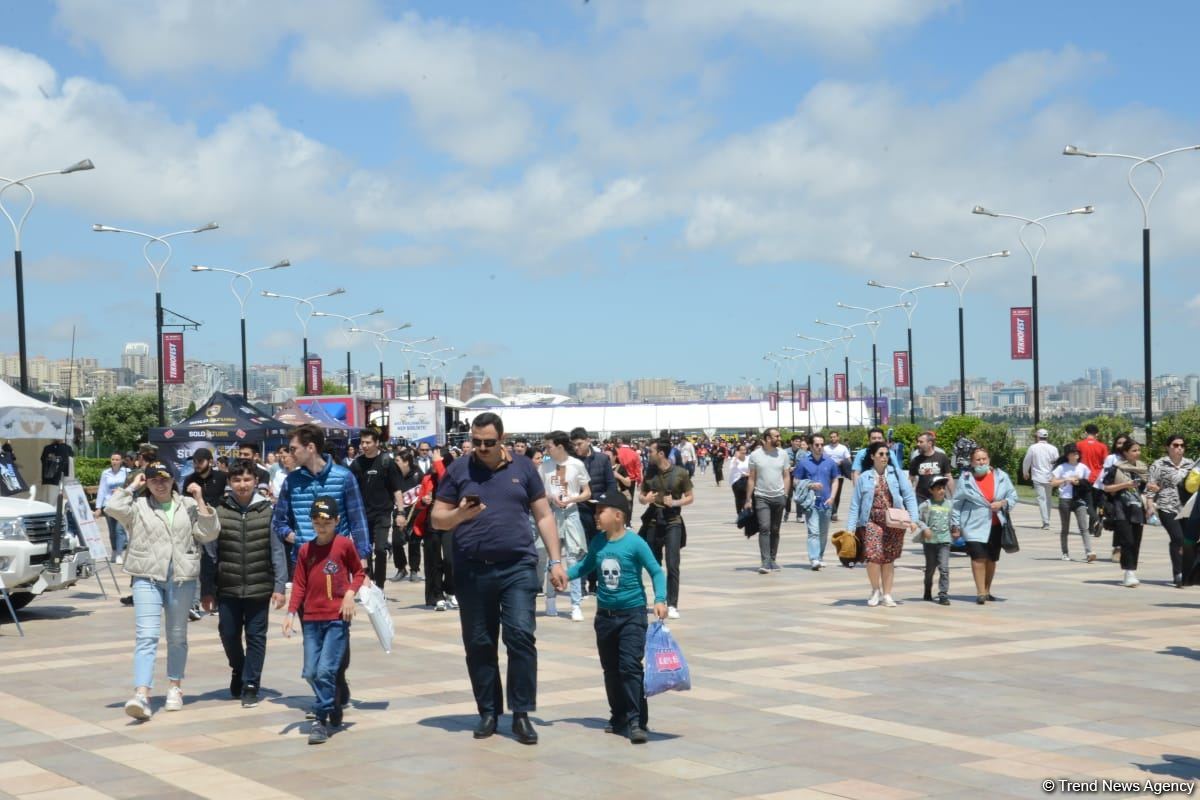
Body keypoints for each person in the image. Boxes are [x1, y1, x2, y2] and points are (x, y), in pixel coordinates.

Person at [431, 412, 567, 746]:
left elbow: (544, 515)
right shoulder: (459, 469)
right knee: (479, 642)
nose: (481, 448)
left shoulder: (523, 468)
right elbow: (437, 518)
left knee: (521, 635)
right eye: (476, 442)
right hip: (472, 568)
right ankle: (488, 711)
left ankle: (521, 714)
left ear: (502, 439)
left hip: (518, 566)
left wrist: (556, 561)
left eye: (488, 443)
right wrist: (460, 514)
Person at [106, 462, 219, 720]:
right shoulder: (138, 507)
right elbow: (112, 508)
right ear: (147, 481)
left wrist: (200, 499)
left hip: (181, 577)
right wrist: (132, 486)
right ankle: (142, 694)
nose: (159, 483)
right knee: (146, 636)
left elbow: (209, 533)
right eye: (154, 479)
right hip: (147, 576)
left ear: (173, 480)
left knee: (177, 635)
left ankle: (174, 688)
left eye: (164, 478)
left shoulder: (187, 506)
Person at [272, 423, 371, 711]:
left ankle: (336, 680)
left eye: (293, 448)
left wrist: (362, 560)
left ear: (310, 447)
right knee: (313, 632)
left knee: (339, 631)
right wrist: (298, 539)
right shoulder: (292, 482)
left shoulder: (344, 477)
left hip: (339, 570)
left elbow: (357, 519)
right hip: (307, 570)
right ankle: (329, 697)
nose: (288, 453)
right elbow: (279, 522)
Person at [567, 491, 667, 744]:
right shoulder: (598, 542)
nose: (596, 515)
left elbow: (656, 571)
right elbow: (585, 566)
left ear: (618, 515)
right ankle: (618, 715)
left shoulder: (635, 543)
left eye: (601, 510)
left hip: (632, 614)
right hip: (605, 617)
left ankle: (636, 720)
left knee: (630, 667)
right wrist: (564, 576)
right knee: (611, 670)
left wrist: (660, 599)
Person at [201, 461, 287, 708]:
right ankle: (239, 669)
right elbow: (210, 553)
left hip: (260, 585)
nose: (242, 485)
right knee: (228, 634)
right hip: (227, 585)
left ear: (255, 482)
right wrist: (207, 589)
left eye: (247, 480)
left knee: (256, 636)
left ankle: (251, 683)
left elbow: (277, 551)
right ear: (229, 483)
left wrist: (280, 587)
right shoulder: (219, 510)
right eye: (237, 480)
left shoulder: (268, 511)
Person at [282, 496, 363, 745]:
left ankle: (320, 717)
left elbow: (359, 572)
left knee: (326, 670)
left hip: (336, 618)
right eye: (317, 522)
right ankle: (332, 704)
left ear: (337, 521)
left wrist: (349, 594)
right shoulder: (306, 550)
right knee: (310, 671)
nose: (322, 527)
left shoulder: (343, 546)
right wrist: (290, 613)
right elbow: (299, 584)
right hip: (312, 620)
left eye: (327, 522)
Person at [847, 442, 920, 607]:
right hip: (871, 521)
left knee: (888, 559)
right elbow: (855, 504)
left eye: (887, 454)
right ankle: (875, 590)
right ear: (872, 456)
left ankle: (887, 594)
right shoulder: (864, 477)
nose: (884, 457)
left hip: (893, 522)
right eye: (880, 454)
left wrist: (913, 520)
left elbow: (909, 496)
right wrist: (850, 529)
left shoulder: (896, 474)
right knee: (873, 557)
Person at [950, 446, 1019, 605]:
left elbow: (1013, 496)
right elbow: (957, 503)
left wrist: (1002, 503)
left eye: (984, 459)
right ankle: (980, 592)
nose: (981, 462)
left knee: (991, 559)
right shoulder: (966, 479)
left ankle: (987, 590)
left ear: (989, 460)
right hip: (973, 525)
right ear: (972, 462)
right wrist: (955, 525)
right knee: (978, 557)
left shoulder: (1001, 476)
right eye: (978, 460)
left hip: (996, 524)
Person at [540, 431, 591, 620]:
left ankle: (575, 604)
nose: (546, 450)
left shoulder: (576, 465)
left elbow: (587, 492)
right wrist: (551, 497)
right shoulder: (544, 466)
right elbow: (538, 493)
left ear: (560, 446)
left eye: (549, 446)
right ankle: (550, 599)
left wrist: (573, 498)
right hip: (551, 513)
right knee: (552, 560)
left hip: (571, 513)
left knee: (573, 558)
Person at [639, 439, 693, 620]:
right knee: (654, 564)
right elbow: (641, 496)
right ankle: (659, 599)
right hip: (653, 522)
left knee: (673, 564)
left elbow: (690, 497)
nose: (649, 454)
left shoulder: (680, 473)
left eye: (651, 451)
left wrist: (676, 502)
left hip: (673, 521)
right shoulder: (649, 473)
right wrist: (645, 500)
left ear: (661, 453)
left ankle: (673, 604)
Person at [349, 429, 406, 587]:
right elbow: (349, 489)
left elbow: (397, 489)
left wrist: (401, 512)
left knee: (380, 549)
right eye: (362, 442)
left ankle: (380, 586)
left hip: (382, 513)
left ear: (377, 443)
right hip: (362, 515)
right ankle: (370, 582)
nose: (364, 446)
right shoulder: (357, 464)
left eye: (368, 442)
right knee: (364, 552)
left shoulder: (386, 462)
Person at [570, 427, 616, 596]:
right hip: (579, 508)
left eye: (579, 444)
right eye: (574, 445)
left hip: (599, 509)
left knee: (598, 546)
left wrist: (603, 499)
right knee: (581, 547)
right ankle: (580, 586)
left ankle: (595, 583)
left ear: (588, 441)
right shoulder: (571, 461)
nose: (577, 448)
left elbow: (611, 484)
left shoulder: (602, 459)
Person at [1148, 435, 1195, 587]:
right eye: (1175, 445)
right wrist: (1150, 505)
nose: (1179, 448)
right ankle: (1178, 573)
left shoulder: (1191, 464)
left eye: (1182, 445)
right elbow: (1150, 486)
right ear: (1167, 447)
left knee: (1188, 541)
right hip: (1167, 506)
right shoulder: (1159, 464)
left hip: (1187, 507)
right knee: (1177, 538)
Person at [1104, 439, 1151, 588]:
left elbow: (1145, 488)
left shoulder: (1143, 468)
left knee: (1136, 541)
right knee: (1127, 541)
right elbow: (1107, 488)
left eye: (1138, 450)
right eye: (1134, 450)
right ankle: (1128, 573)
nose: (1137, 453)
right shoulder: (1116, 468)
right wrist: (1126, 484)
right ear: (1125, 453)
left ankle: (1130, 571)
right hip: (1121, 508)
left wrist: (1152, 491)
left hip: (1138, 509)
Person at [744, 428, 792, 574]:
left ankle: (773, 559)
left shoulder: (783, 454)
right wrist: (748, 499)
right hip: (761, 497)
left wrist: (785, 495)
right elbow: (751, 478)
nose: (779, 438)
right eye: (776, 436)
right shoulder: (755, 455)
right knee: (764, 527)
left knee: (775, 529)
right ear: (767, 438)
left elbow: (786, 476)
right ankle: (765, 562)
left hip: (779, 497)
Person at [792, 433, 839, 570]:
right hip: (811, 503)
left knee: (823, 532)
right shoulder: (804, 462)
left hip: (826, 501)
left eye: (822, 444)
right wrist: (810, 485)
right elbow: (795, 481)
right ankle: (814, 559)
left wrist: (832, 497)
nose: (819, 447)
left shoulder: (830, 462)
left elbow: (835, 480)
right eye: (817, 445)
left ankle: (820, 556)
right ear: (811, 446)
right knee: (813, 531)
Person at [1050, 444, 1095, 563]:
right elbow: (1053, 482)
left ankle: (1089, 552)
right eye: (1073, 452)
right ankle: (1065, 553)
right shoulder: (1062, 467)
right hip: (1065, 499)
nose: (1076, 454)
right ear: (1068, 455)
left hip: (1078, 499)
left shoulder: (1083, 467)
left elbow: (1088, 482)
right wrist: (1066, 480)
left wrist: (1079, 482)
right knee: (1065, 528)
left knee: (1083, 527)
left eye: (1077, 452)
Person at [917, 476, 953, 605]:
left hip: (944, 541)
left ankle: (943, 594)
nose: (942, 491)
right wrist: (925, 528)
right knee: (930, 569)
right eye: (938, 488)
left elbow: (954, 519)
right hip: (930, 543)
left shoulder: (949, 505)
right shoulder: (926, 505)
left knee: (944, 568)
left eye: (943, 488)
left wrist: (956, 528)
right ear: (931, 490)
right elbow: (918, 519)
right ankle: (927, 589)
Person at [95, 452, 130, 564]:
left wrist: (121, 491)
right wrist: (98, 507)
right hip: (109, 504)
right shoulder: (105, 473)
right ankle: (114, 550)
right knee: (111, 531)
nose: (115, 461)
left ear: (121, 461)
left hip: (121, 504)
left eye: (117, 459)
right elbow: (102, 490)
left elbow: (130, 487)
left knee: (119, 529)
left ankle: (120, 553)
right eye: (113, 459)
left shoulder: (127, 472)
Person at [1022, 428, 1060, 530]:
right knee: (1048, 499)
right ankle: (1047, 520)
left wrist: (1025, 472)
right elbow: (1057, 463)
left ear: (1038, 436)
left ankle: (1046, 521)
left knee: (1041, 499)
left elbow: (1027, 461)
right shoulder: (1053, 448)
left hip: (1038, 477)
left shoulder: (1033, 447)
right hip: (1050, 477)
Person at [1076, 424, 1110, 536]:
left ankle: (1094, 522)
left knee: (1087, 503)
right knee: (1096, 503)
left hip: (1084, 478)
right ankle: (1094, 526)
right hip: (1098, 478)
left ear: (1085, 433)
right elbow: (1106, 463)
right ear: (1097, 434)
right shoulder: (1102, 446)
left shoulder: (1079, 445)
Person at [909, 431, 955, 505]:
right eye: (918, 442)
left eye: (921, 442)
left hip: (939, 497)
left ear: (929, 443)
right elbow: (910, 479)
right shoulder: (915, 460)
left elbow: (948, 477)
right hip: (921, 498)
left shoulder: (942, 457)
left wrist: (954, 497)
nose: (918, 444)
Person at [823, 431, 851, 521]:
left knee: (837, 494)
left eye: (834, 437)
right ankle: (832, 512)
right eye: (831, 437)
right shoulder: (825, 448)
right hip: (827, 473)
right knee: (829, 492)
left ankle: (835, 512)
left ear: (838, 437)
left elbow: (848, 460)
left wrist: (842, 462)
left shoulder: (843, 448)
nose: (833, 439)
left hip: (839, 473)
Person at [727, 443, 751, 514]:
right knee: (739, 498)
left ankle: (746, 512)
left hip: (747, 480)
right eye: (741, 450)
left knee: (747, 497)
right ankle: (739, 513)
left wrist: (748, 474)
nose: (743, 451)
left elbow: (752, 468)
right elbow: (731, 468)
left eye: (744, 450)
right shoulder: (734, 459)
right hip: (736, 481)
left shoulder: (748, 458)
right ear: (737, 451)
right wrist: (736, 458)